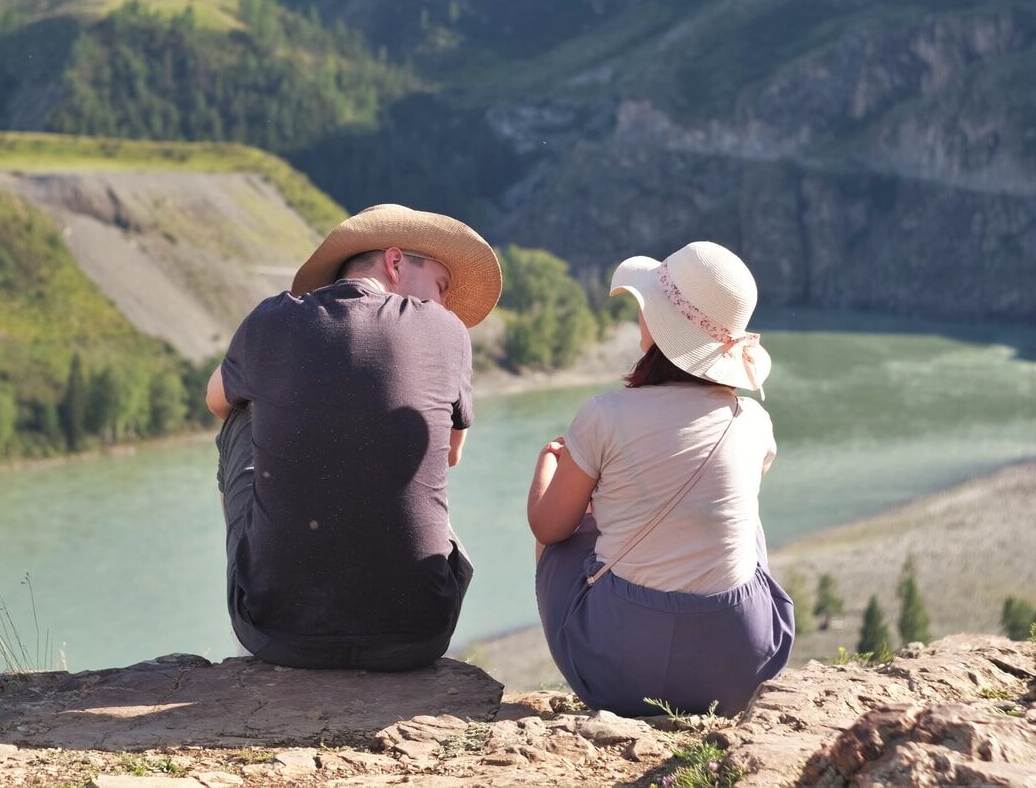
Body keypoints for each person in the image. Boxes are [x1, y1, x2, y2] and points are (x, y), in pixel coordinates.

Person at [206, 203, 502, 671]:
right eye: (442, 287)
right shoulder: (445, 330)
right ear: (395, 261)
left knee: (241, 418)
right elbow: (450, 454)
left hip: (277, 637)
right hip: (418, 634)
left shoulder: (268, 320)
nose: (444, 305)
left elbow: (216, 401)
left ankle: (271, 600)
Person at [528, 240, 794, 716]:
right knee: (744, 524)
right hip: (737, 669)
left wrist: (548, 467)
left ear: (657, 323)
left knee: (570, 529)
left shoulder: (604, 414)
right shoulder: (752, 421)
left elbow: (549, 528)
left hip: (621, 673)